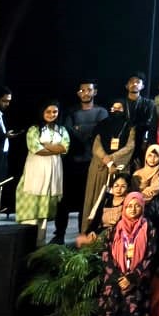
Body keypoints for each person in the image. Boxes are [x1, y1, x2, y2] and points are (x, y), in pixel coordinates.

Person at [96, 192, 156, 316]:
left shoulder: (148, 228)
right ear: (124, 207)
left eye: (137, 206)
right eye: (129, 206)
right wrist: (119, 277)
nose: (133, 209)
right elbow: (106, 255)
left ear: (142, 207)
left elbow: (151, 255)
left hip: (136, 285)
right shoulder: (114, 229)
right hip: (114, 286)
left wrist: (132, 278)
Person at [55, 80, 107, 244]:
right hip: (71, 162)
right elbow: (67, 133)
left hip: (91, 163)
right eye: (82, 90)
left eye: (89, 90)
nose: (86, 93)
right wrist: (85, 134)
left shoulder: (101, 112)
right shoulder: (70, 112)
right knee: (63, 201)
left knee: (86, 200)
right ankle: (59, 235)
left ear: (95, 92)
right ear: (78, 93)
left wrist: (81, 131)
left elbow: (100, 133)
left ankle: (83, 234)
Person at [17, 101, 70, 244]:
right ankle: (26, 244)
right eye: (48, 111)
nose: (52, 114)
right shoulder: (34, 129)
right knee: (32, 209)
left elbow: (64, 148)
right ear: (42, 112)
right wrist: (54, 148)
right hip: (36, 171)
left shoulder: (61, 130)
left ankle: (40, 243)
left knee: (44, 212)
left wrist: (45, 145)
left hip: (53, 172)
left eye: (55, 112)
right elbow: (36, 149)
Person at [84, 100, 135, 218]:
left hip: (120, 167)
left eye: (119, 108)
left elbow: (130, 146)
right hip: (100, 166)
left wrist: (112, 158)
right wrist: (108, 161)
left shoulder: (130, 126)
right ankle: (91, 227)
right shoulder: (101, 125)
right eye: (114, 108)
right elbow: (96, 145)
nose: (116, 110)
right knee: (95, 198)